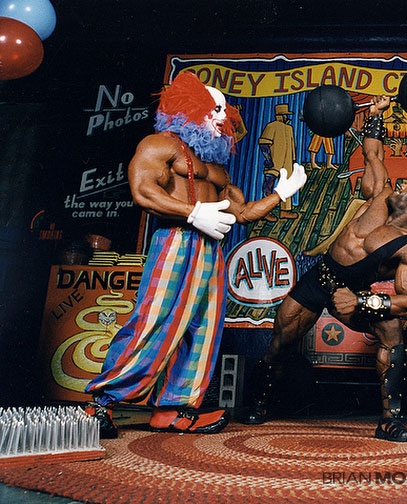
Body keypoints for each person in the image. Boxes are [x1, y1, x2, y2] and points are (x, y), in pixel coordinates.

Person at [84, 72, 307, 438]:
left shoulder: (217, 168)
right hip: (175, 240)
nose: (222, 117)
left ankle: (174, 409)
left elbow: (242, 213)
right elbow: (143, 190)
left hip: (211, 251)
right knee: (156, 319)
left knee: (202, 328)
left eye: (224, 110)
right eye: (214, 109)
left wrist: (280, 194)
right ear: (189, 109)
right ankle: (102, 403)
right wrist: (192, 213)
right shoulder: (160, 145)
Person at [241, 95, 407, 442]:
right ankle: (258, 402)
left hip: (352, 291)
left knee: (392, 334)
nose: (404, 184)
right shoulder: (381, 195)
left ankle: (390, 420)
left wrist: (362, 301)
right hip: (319, 277)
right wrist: (375, 116)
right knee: (280, 341)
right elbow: (373, 153)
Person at [259, 103, 299, 220]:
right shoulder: (272, 126)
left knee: (287, 185)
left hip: (287, 163)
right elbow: (264, 143)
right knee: (268, 186)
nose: (287, 117)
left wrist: (293, 161)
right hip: (274, 161)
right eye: (286, 115)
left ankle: (285, 210)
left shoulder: (289, 128)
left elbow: (292, 147)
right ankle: (265, 212)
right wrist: (268, 159)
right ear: (280, 115)